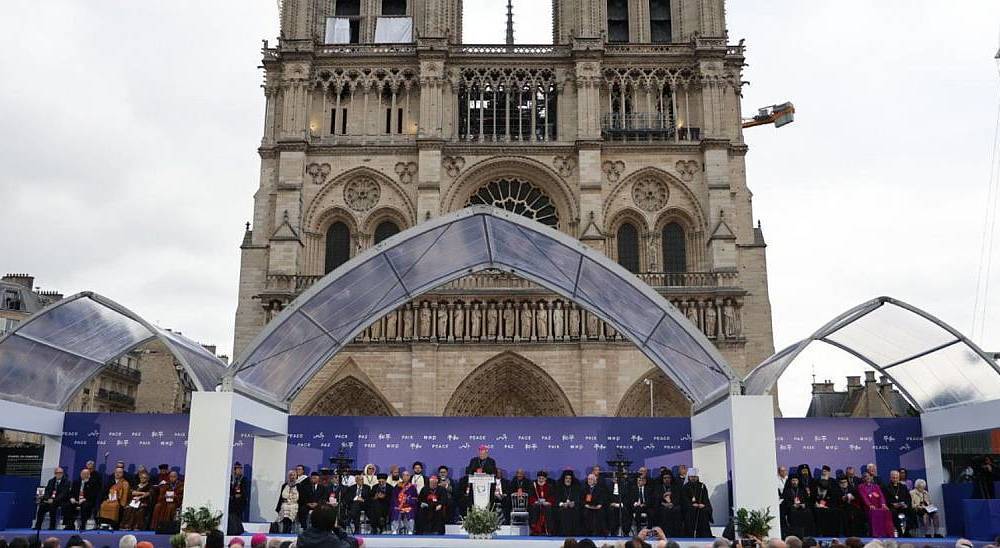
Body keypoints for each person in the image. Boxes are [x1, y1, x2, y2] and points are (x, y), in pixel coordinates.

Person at [858, 472, 893, 537]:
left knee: (887, 511)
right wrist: (869, 505)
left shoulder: (876, 486)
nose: (868, 477)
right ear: (863, 478)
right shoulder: (861, 487)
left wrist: (883, 504)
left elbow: (881, 496)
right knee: (874, 512)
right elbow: (864, 497)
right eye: (866, 476)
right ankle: (876, 534)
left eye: (869, 476)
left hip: (879, 506)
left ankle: (887, 533)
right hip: (868, 508)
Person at [681, 468, 712, 538]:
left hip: (700, 507)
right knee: (691, 511)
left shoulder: (702, 486)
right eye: (692, 477)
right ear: (688, 477)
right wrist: (691, 505)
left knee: (704, 511)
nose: (693, 478)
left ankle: (704, 534)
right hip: (689, 507)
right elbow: (684, 499)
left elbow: (705, 498)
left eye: (695, 477)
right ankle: (691, 534)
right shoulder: (685, 487)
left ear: (697, 477)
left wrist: (703, 505)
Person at [655, 468, 683, 537]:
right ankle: (665, 534)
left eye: (668, 478)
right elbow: (656, 499)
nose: (667, 479)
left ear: (671, 478)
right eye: (665, 478)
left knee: (677, 510)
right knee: (665, 511)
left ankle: (676, 534)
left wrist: (672, 504)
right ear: (662, 479)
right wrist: (664, 502)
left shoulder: (675, 487)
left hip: (673, 505)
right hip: (662, 506)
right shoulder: (658, 487)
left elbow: (678, 498)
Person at [884, 470, 912, 537]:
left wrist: (906, 505)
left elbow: (908, 498)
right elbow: (885, 499)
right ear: (890, 478)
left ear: (899, 478)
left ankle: (907, 531)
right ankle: (899, 531)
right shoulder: (886, 487)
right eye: (893, 478)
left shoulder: (903, 487)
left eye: (896, 477)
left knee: (911, 511)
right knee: (893, 512)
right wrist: (892, 504)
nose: (895, 479)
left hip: (903, 506)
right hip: (892, 507)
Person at [528, 471, 555, 536]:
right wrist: (536, 501)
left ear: (545, 479)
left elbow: (552, 497)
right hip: (536, 504)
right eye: (539, 478)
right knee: (535, 507)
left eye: (542, 478)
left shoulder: (549, 487)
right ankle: (535, 530)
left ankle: (548, 530)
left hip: (546, 505)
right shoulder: (533, 486)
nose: (541, 480)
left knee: (548, 508)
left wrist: (547, 502)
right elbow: (530, 497)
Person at [555, 470, 582, 536]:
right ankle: (563, 533)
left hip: (573, 507)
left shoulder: (575, 487)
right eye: (566, 478)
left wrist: (573, 503)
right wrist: (562, 504)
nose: (568, 480)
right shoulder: (559, 487)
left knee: (575, 511)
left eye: (570, 478)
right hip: (562, 507)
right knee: (563, 511)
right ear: (564, 479)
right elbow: (557, 499)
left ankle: (574, 533)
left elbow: (578, 498)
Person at [274, 470, 300, 534]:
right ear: (288, 476)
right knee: (284, 508)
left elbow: (301, 498)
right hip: (285, 504)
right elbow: (281, 497)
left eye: (294, 475)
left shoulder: (299, 486)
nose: (292, 477)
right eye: (291, 475)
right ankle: (285, 531)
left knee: (292, 509)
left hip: (294, 504)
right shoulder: (285, 485)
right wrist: (278, 507)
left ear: (296, 476)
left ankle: (289, 530)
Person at [228, 462, 249, 535]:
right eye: (238, 469)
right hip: (232, 501)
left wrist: (239, 495)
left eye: (241, 469)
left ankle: (238, 529)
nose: (240, 470)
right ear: (234, 470)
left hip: (240, 502)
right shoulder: (231, 479)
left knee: (238, 516)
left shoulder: (243, 479)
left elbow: (244, 492)